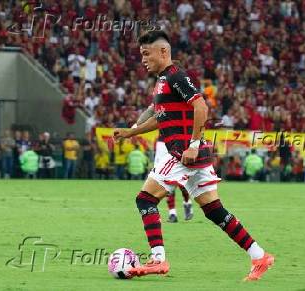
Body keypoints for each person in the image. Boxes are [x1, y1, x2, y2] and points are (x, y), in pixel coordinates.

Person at [113, 31, 273, 281]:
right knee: (214, 210)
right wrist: (131, 132)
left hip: (183, 153)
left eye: (147, 54)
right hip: (193, 154)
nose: (143, 59)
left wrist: (193, 144)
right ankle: (259, 255)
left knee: (145, 199)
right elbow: (160, 117)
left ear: (163, 52)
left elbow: (201, 106)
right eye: (141, 54)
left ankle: (158, 260)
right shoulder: (163, 80)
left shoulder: (176, 75)